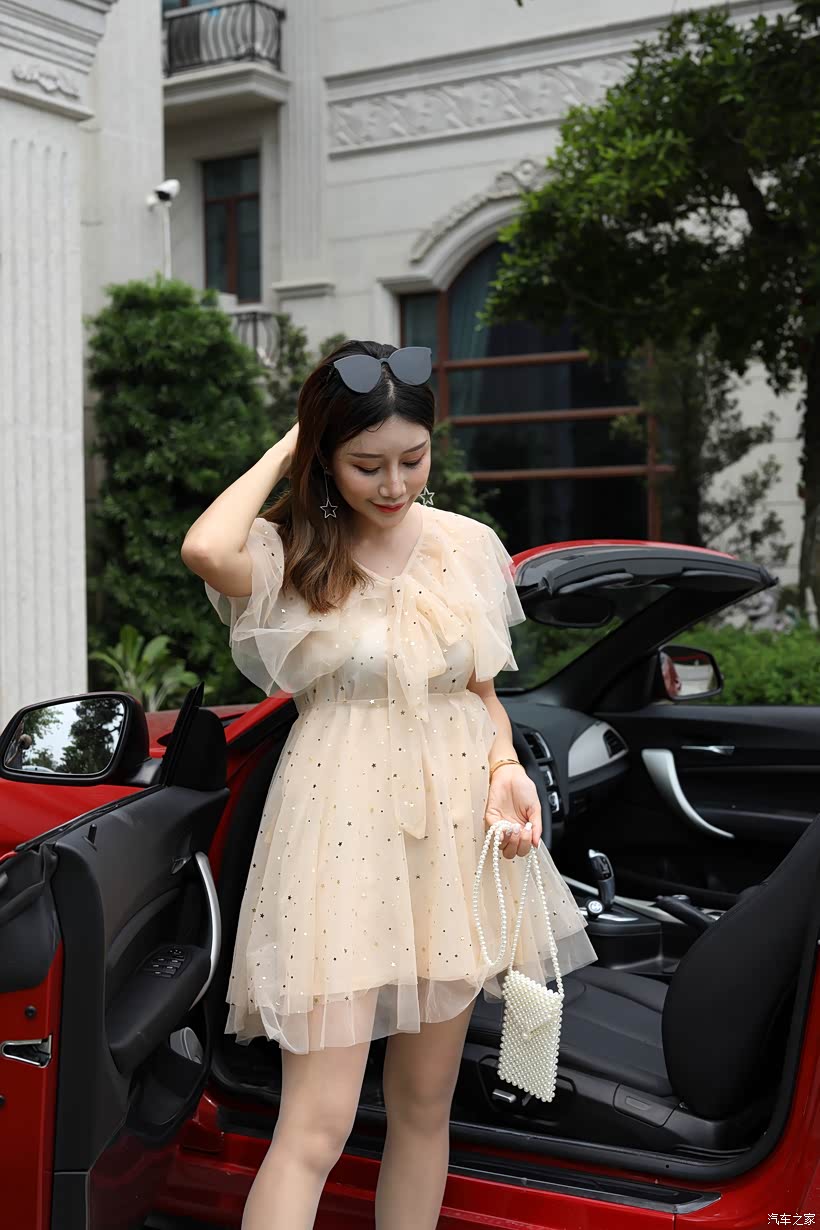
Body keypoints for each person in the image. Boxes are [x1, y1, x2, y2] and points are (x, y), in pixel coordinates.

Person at [181, 340, 597, 1230]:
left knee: (423, 1108)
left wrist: (505, 769)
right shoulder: (295, 551)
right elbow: (205, 547)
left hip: (452, 838)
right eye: (367, 464)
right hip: (339, 836)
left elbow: (480, 694)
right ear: (324, 457)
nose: (395, 483)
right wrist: (290, 444)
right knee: (316, 1126)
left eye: (414, 458)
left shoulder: (466, 545)